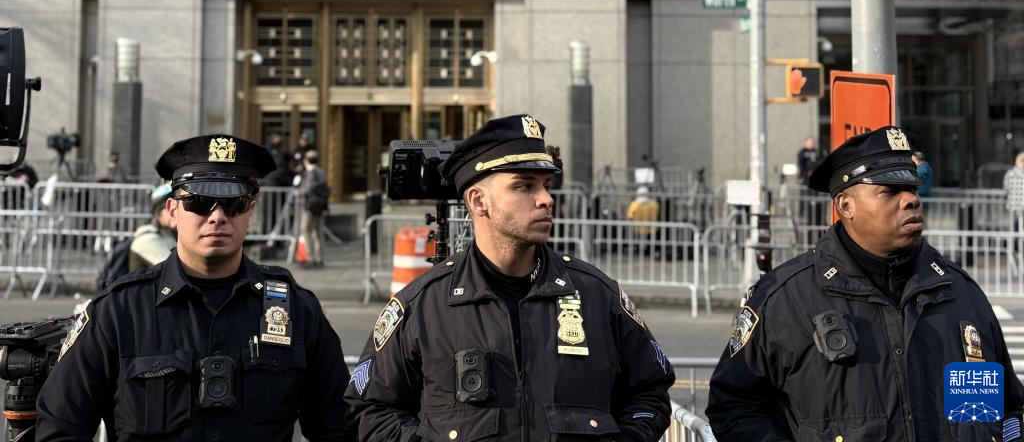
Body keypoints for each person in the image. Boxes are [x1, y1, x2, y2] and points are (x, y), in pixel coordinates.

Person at [345, 114, 674, 442]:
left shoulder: (596, 294)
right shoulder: (423, 305)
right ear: (479, 201)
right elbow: (371, 408)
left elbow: (650, 392)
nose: (546, 199)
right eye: (524, 186)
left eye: (546, 185)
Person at [706, 126, 1024, 442]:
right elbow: (734, 408)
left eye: (912, 187)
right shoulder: (785, 299)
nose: (911, 199)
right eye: (890, 191)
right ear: (846, 206)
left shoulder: (960, 293)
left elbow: (1006, 410)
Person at [37, 134, 352, 442]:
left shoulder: (296, 309)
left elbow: (338, 427)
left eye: (234, 203)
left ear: (250, 212)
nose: (217, 216)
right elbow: (60, 426)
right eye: (199, 203)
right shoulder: (119, 311)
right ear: (173, 211)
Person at [128, 182, 178, 272]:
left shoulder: (168, 233)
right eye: (170, 207)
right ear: (158, 212)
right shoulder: (147, 239)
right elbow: (174, 269)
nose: (175, 212)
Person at [297, 148, 329, 268]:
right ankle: (320, 258)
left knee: (306, 230)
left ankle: (311, 258)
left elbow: (307, 189)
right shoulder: (322, 172)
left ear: (306, 161)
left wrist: (298, 192)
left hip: (310, 205)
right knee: (318, 232)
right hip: (320, 205)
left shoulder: (311, 173)